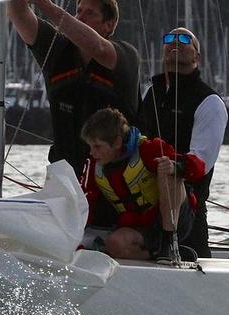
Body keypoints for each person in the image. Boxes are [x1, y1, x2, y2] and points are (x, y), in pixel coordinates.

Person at [7, 0, 140, 180]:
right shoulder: (56, 50)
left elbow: (98, 47)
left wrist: (49, 7)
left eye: (90, 13)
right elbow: (18, 13)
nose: (80, 17)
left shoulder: (124, 55)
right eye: (78, 11)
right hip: (65, 174)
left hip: (115, 177)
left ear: (109, 25)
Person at [139, 27, 228, 258]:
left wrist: (169, 164)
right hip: (145, 201)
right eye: (169, 38)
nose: (175, 42)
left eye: (184, 39)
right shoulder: (152, 94)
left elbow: (201, 163)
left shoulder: (210, 101)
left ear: (197, 57)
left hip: (187, 204)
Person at [80, 108, 206, 262]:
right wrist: (77, 242)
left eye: (97, 146)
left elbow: (199, 167)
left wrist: (176, 167)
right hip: (141, 227)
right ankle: (160, 253)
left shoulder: (149, 149)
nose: (92, 152)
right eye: (90, 146)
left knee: (166, 169)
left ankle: (170, 246)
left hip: (176, 221)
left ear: (117, 142)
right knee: (114, 244)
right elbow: (85, 202)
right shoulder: (94, 165)